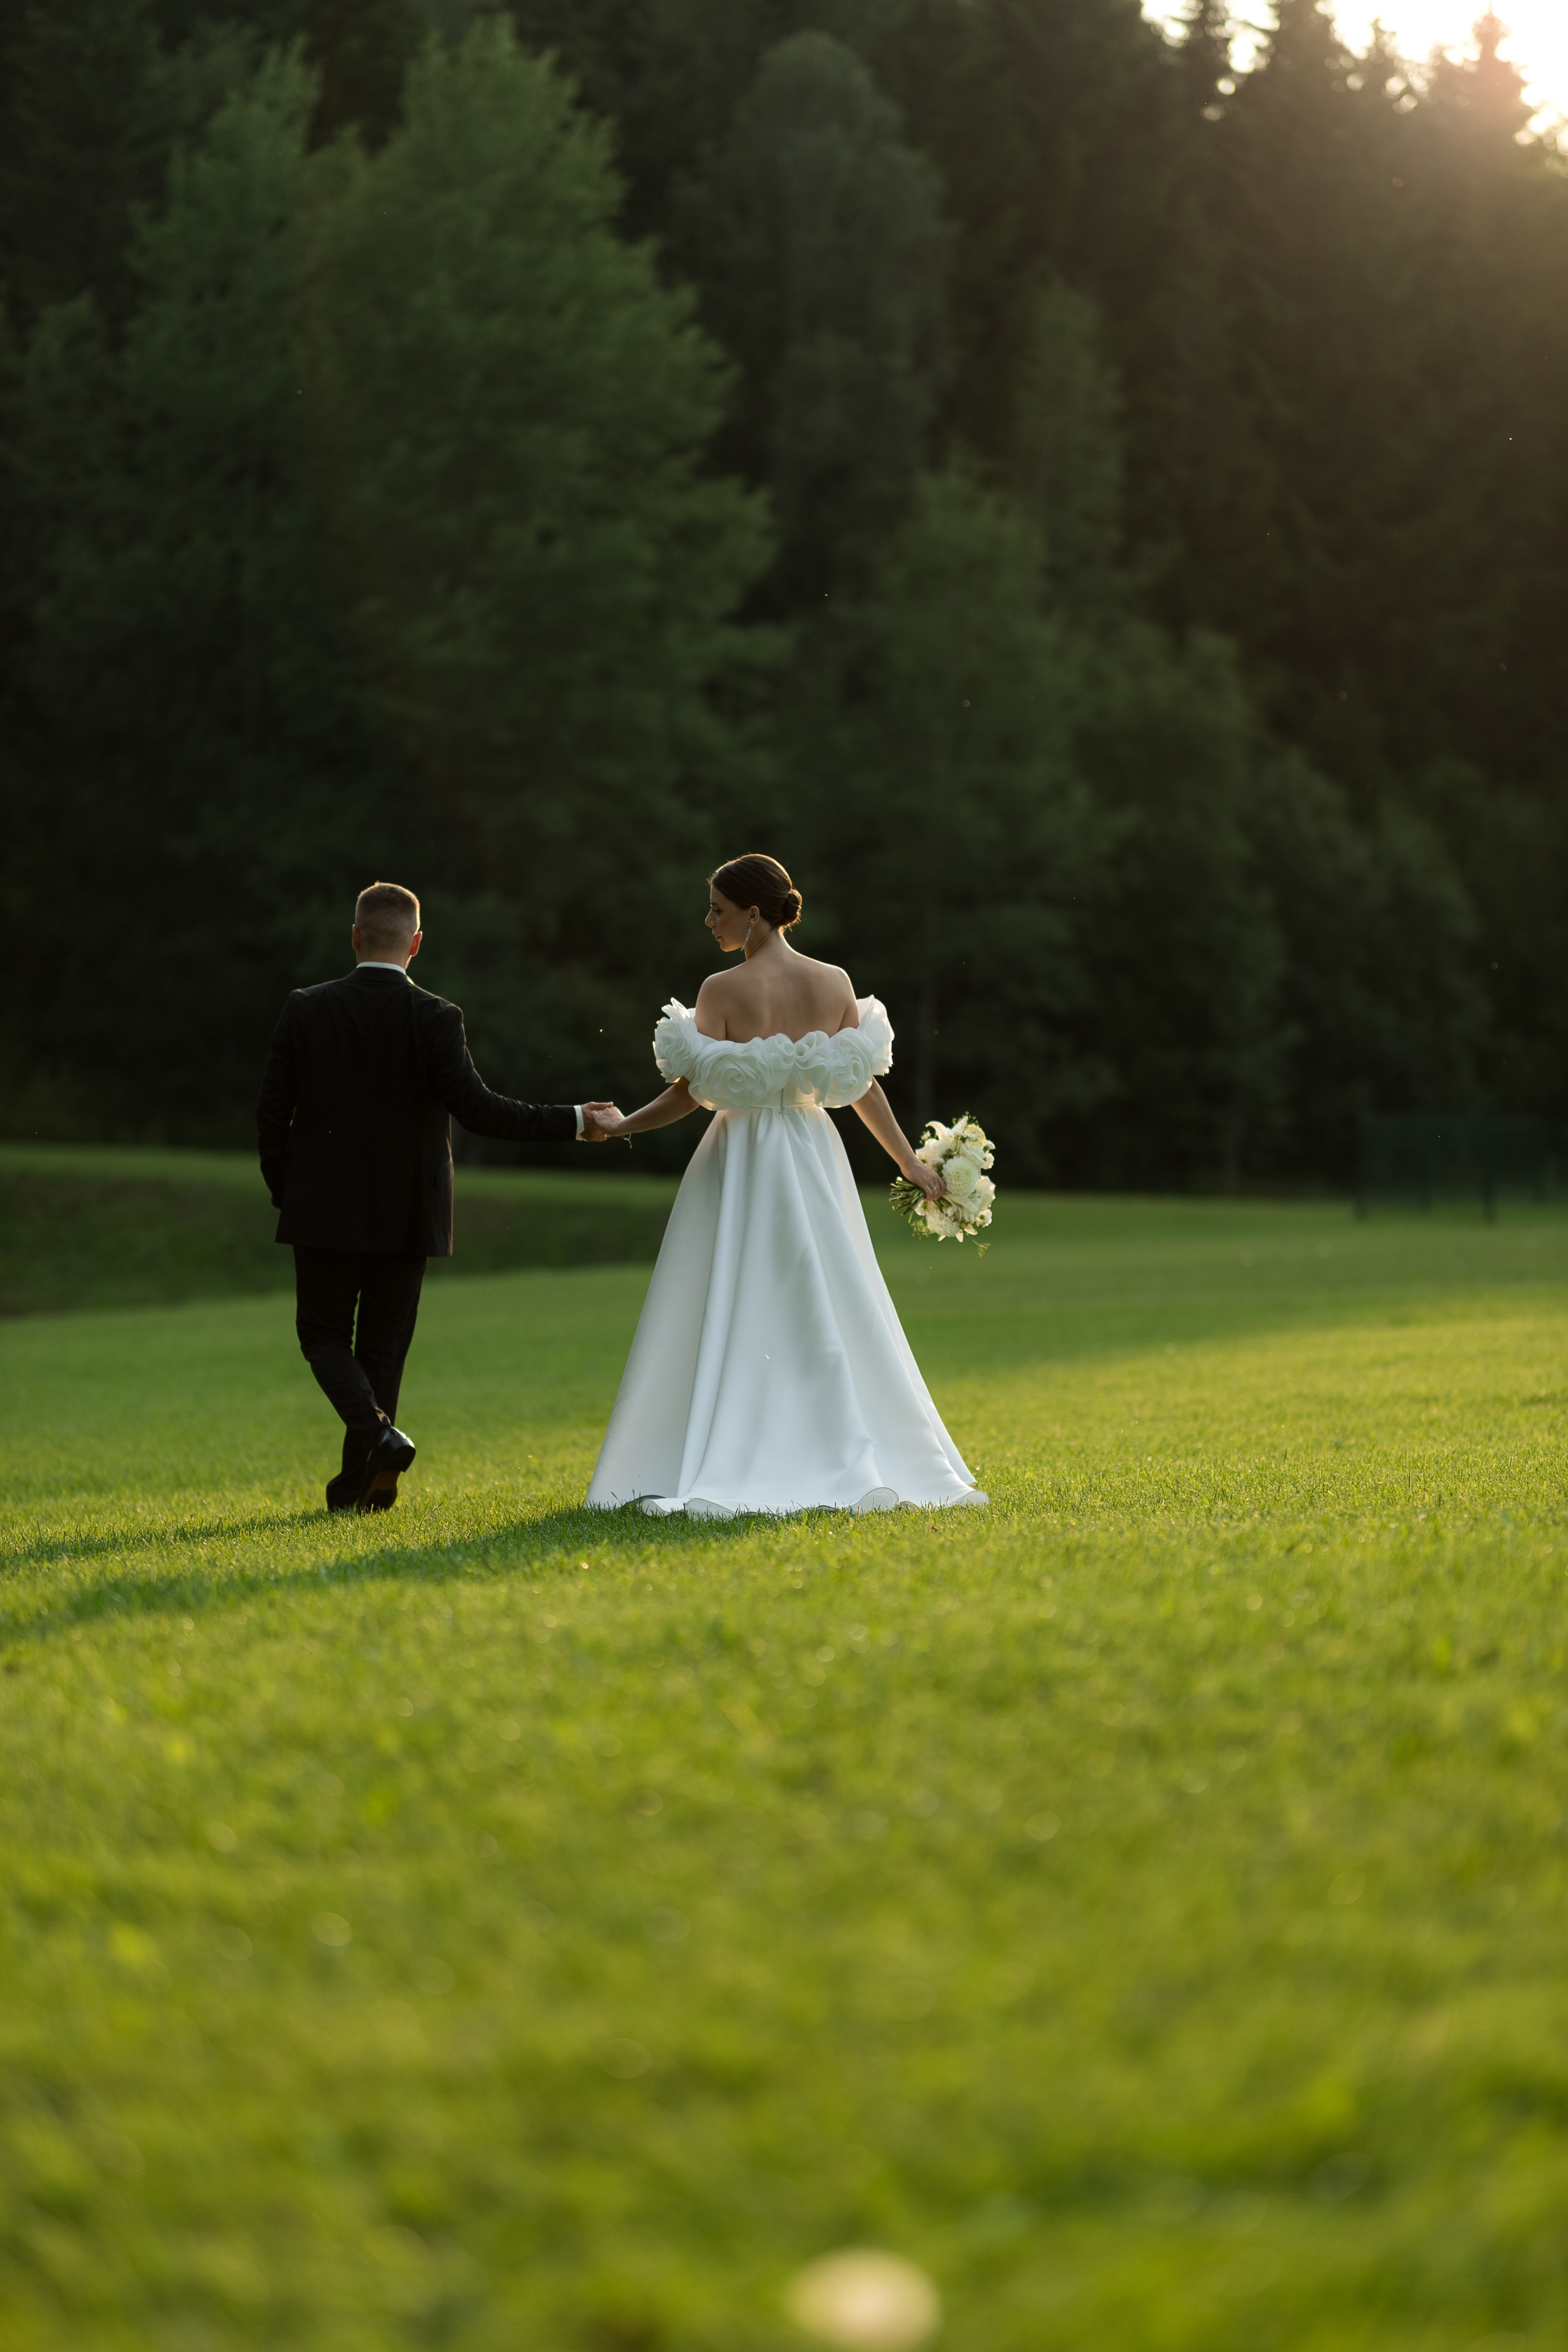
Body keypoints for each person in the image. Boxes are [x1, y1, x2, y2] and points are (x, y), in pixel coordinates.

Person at [587, 854, 987, 1516]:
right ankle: (836, 1442)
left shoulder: (721, 990)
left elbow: (689, 1096)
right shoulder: (834, 983)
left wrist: (623, 1124)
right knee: (827, 1293)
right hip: (810, 1153)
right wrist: (909, 1165)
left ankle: (729, 1442)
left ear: (753, 913)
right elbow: (863, 1088)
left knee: (733, 1291)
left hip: (740, 1156)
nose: (708, 919)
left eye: (717, 908)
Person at [257, 881, 619, 1513]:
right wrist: (572, 1120)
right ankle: (360, 1487)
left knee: (321, 1336)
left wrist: (289, 1192)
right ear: (416, 944)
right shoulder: (435, 1016)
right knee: (383, 1350)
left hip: (323, 1208)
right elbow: (479, 1111)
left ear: (355, 937)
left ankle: (371, 1453)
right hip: (410, 1212)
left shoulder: (305, 1008)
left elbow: (271, 1115)